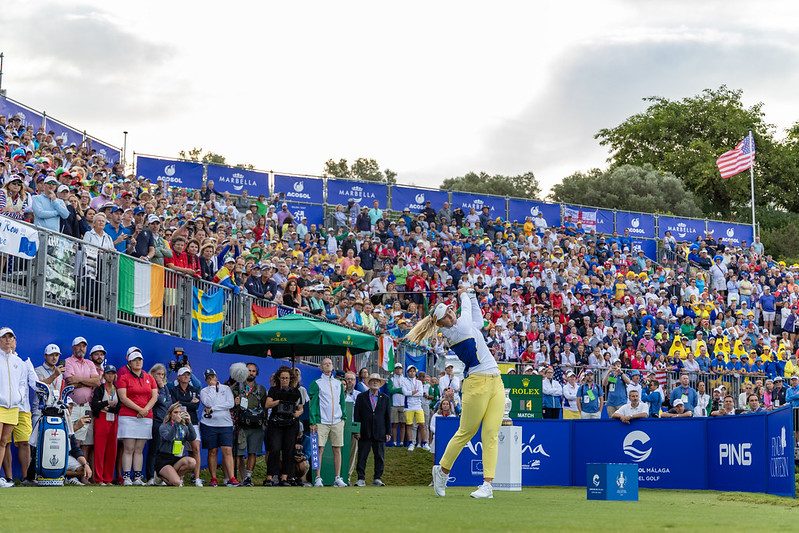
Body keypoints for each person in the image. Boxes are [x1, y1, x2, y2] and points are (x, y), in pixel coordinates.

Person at [407, 287, 503, 499]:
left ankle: (488, 484)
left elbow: (476, 317)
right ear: (440, 324)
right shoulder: (456, 330)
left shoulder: (464, 325)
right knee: (466, 432)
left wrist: (472, 296)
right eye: (446, 316)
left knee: (490, 435)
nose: (451, 314)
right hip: (477, 383)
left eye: (450, 311)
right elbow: (468, 313)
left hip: (496, 381)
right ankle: (442, 472)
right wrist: (463, 294)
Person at [116, 347, 158, 485]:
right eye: (135, 360)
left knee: (139, 449)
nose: (138, 362)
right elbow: (123, 397)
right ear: (130, 362)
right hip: (129, 416)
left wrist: (145, 410)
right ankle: (127, 477)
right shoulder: (124, 378)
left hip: (145, 417)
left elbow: (154, 396)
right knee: (129, 448)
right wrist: (139, 409)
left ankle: (138, 477)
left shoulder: (149, 378)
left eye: (140, 359)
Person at [309, 357, 348, 488]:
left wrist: (343, 417)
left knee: (337, 449)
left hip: (337, 421)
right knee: (319, 449)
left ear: (332, 366)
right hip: (321, 421)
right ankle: (318, 478)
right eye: (325, 364)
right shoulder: (317, 383)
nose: (327, 365)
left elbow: (342, 401)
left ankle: (337, 477)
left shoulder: (338, 383)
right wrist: (313, 421)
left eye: (329, 363)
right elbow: (313, 404)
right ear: (321, 367)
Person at [0, 327, 30, 488]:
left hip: (13, 408)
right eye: (4, 337)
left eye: (10, 337)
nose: (7, 340)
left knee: (3, 442)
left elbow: (22, 385)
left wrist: (17, 398)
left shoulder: (19, 363)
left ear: (14, 340)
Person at [199, 368, 239, 487]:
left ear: (217, 377)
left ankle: (231, 477)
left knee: (227, 450)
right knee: (212, 451)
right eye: (209, 378)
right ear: (206, 380)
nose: (212, 379)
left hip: (225, 424)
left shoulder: (225, 389)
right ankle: (213, 478)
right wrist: (211, 388)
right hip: (209, 424)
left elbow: (230, 404)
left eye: (213, 377)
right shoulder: (204, 391)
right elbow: (208, 403)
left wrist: (214, 408)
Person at [264, 366, 303, 486]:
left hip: (290, 423)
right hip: (276, 422)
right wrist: (279, 401)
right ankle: (270, 477)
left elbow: (300, 407)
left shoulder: (295, 391)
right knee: (274, 449)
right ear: (278, 378)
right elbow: (267, 404)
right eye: (282, 378)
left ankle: (285, 477)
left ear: (290, 379)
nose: (284, 380)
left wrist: (297, 413)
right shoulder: (273, 390)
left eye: (286, 378)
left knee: (288, 450)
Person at [63, 336, 100, 462]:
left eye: (83, 346)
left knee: (78, 442)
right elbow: (70, 382)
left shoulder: (89, 363)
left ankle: (74, 473)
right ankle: (65, 470)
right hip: (71, 406)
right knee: (67, 438)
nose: (81, 348)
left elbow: (97, 382)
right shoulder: (68, 361)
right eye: (79, 345)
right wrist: (88, 382)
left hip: (85, 407)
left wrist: (79, 379)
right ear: (73, 347)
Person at [231, 362, 267, 487]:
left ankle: (248, 477)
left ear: (257, 373)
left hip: (256, 426)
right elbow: (229, 404)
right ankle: (240, 478)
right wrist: (234, 403)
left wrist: (264, 422)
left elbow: (265, 407)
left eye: (253, 371)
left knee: (253, 452)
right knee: (239, 454)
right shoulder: (236, 387)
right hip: (240, 425)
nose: (251, 373)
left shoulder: (261, 389)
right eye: (248, 370)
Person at [353, 373, 391, 487]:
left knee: (380, 456)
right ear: (368, 383)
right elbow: (357, 414)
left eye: (377, 381)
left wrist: (388, 431)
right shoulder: (361, 397)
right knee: (362, 456)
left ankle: (377, 478)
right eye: (373, 381)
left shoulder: (385, 398)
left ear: (380, 384)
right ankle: (361, 478)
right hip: (364, 431)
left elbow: (387, 416)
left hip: (380, 431)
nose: (375, 383)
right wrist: (357, 430)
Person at [90, 365, 121, 485]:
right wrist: (106, 403)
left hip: (113, 419)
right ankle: (99, 478)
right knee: (100, 450)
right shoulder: (100, 388)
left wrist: (107, 408)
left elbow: (119, 407)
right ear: (104, 375)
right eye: (108, 374)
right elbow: (95, 405)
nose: (110, 376)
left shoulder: (116, 389)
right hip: (101, 419)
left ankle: (108, 478)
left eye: (112, 374)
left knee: (112, 450)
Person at [156, 402, 198, 487]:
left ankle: (168, 477)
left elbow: (192, 437)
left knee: (192, 462)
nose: (178, 415)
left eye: (180, 412)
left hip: (177, 458)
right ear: (170, 414)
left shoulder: (183, 427)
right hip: (165, 459)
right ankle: (161, 476)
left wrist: (189, 423)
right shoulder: (164, 427)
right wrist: (176, 423)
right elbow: (169, 438)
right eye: (175, 412)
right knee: (176, 483)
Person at [145, 363, 172, 485]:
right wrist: (161, 388)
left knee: (163, 452)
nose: (161, 377)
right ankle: (151, 476)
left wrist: (162, 388)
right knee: (154, 449)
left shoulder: (164, 387)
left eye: (163, 374)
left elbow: (168, 403)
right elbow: (160, 400)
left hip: (164, 421)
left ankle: (160, 477)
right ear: (153, 374)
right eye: (158, 374)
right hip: (155, 421)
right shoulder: (151, 386)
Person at [402, 365, 429, 451]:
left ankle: (425, 443)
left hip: (418, 406)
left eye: (413, 371)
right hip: (409, 406)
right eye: (410, 371)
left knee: (422, 424)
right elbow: (405, 393)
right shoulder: (404, 381)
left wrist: (411, 393)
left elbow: (421, 393)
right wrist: (414, 392)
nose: (412, 373)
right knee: (409, 425)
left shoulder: (419, 382)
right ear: (407, 373)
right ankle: (411, 443)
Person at [386, 362, 406, 447]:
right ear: (395, 370)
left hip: (403, 404)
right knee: (394, 423)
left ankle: (401, 442)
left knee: (403, 424)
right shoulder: (391, 379)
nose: (398, 370)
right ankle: (394, 442)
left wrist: (396, 390)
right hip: (394, 404)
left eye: (400, 368)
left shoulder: (405, 379)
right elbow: (390, 390)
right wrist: (400, 389)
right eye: (397, 368)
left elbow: (406, 390)